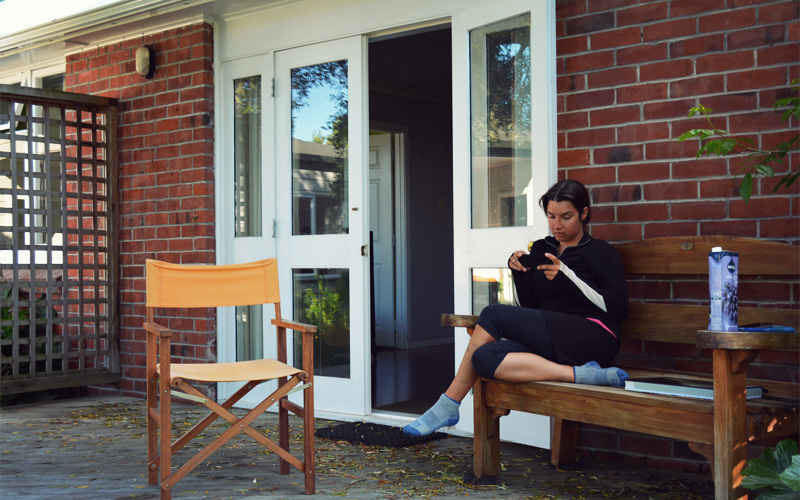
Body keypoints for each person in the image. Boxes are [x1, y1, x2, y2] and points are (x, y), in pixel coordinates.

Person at [403, 179, 630, 437]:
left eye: (566, 217)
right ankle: (579, 374)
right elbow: (532, 308)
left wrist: (567, 276)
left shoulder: (599, 251)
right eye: (551, 216)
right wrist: (520, 274)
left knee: (493, 313)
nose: (557, 225)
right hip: (553, 341)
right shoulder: (544, 248)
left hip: (594, 335)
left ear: (584, 213)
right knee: (484, 357)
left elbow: (619, 308)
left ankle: (447, 406)